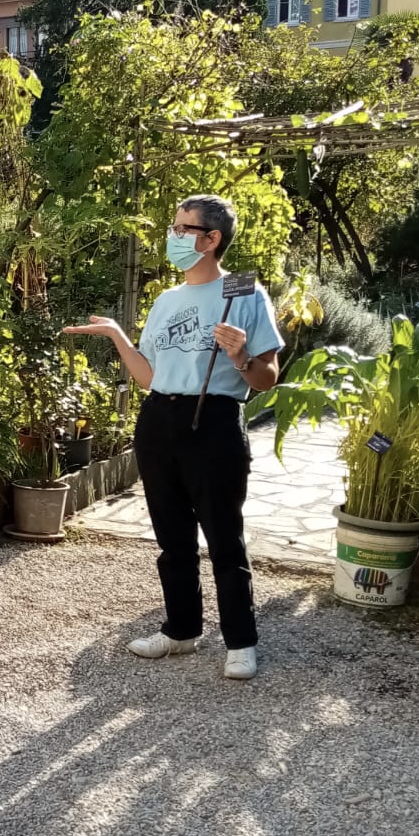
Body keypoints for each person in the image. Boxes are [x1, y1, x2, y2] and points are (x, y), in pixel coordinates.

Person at [63, 194, 284, 681]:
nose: (174, 236)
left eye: (185, 229)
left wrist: (242, 357)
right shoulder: (166, 300)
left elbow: (267, 376)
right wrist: (119, 336)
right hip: (159, 420)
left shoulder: (245, 292)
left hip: (215, 421)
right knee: (171, 536)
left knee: (225, 537)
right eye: (175, 227)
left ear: (212, 239)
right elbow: (148, 376)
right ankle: (182, 631)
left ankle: (241, 641)